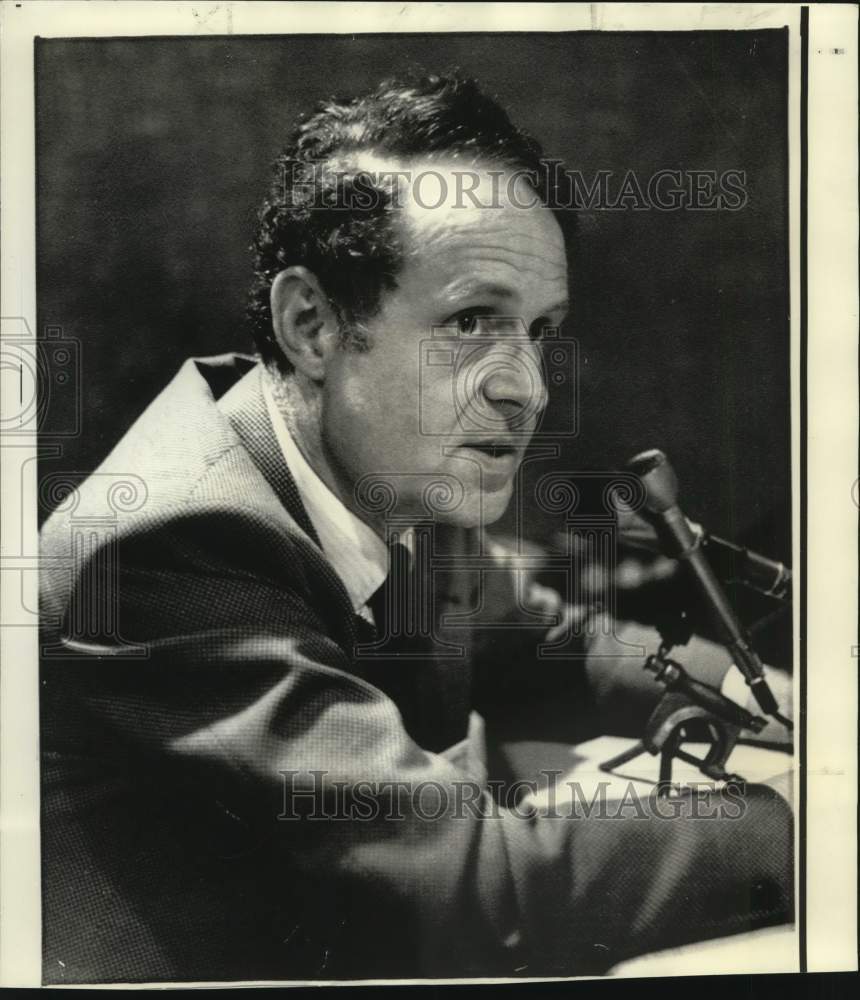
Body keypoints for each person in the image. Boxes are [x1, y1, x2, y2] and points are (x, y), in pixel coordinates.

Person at [39, 74, 793, 983]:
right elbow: (472, 888)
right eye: (472, 322)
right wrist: (806, 824)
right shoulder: (170, 547)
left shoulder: (380, 466)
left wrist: (791, 712)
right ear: (312, 324)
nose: (529, 388)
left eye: (540, 330)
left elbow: (555, 639)